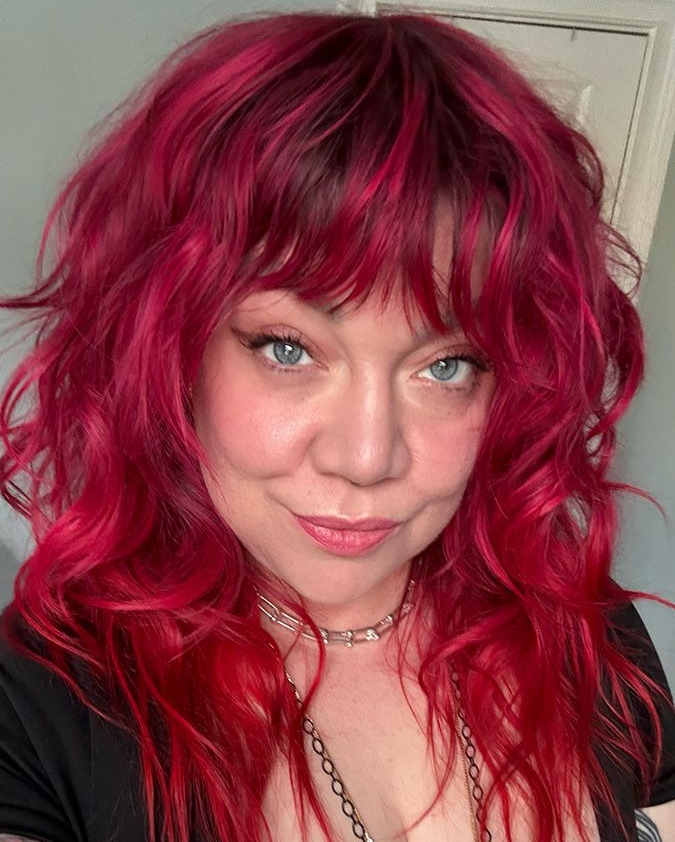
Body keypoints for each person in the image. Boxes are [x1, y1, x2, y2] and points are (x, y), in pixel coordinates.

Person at [0, 9, 673, 842]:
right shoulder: (44, 705)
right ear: (170, 348)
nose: (365, 459)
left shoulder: (578, 621)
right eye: (288, 348)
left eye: (446, 366)